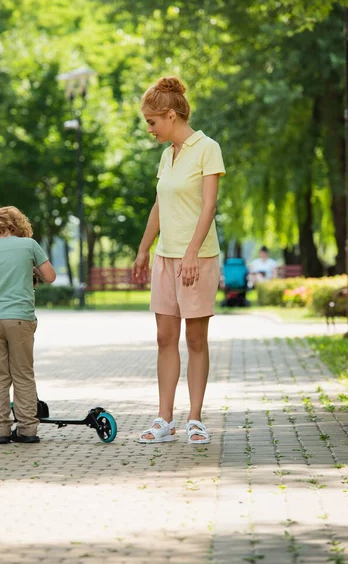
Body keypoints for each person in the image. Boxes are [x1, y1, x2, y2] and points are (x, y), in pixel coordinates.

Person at [132, 76, 226, 444]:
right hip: (165, 257)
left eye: (152, 122)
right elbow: (160, 205)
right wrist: (143, 249)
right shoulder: (166, 154)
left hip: (197, 258)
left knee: (196, 339)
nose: (150, 129)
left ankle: (195, 418)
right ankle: (164, 418)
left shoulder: (207, 148)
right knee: (164, 336)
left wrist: (190, 253)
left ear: (170, 116)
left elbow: (209, 205)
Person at [0, 206, 56, 444]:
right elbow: (50, 276)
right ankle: (27, 430)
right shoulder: (29, 245)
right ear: (19, 224)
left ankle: (0, 432)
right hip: (19, 317)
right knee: (22, 374)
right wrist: (31, 270)